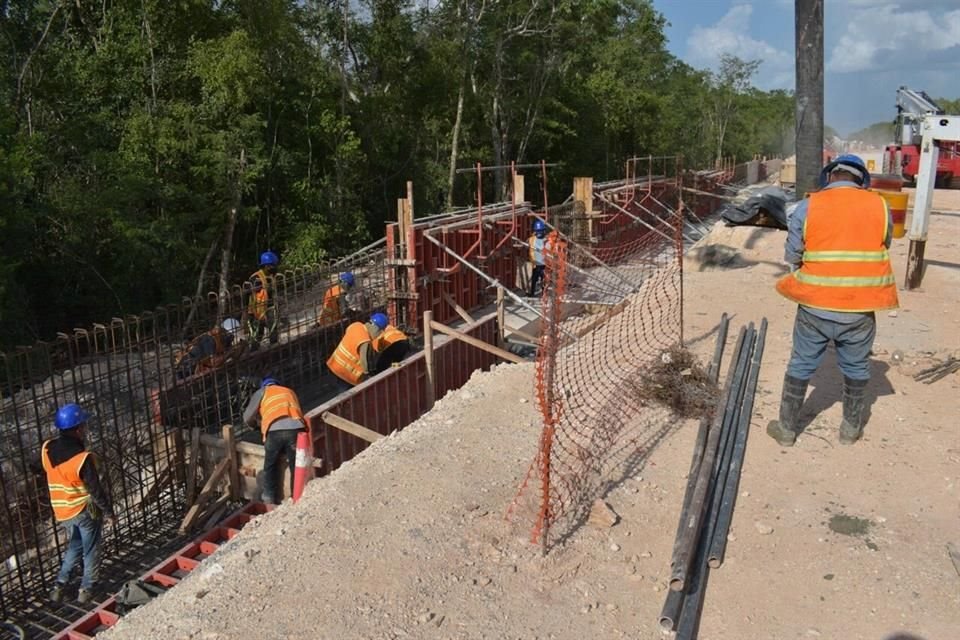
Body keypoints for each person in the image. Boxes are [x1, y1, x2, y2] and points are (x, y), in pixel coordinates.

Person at [767, 154, 898, 447]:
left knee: (801, 364)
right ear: (861, 180)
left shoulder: (809, 204)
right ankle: (850, 431)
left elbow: (792, 255)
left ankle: (787, 430)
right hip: (860, 307)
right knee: (857, 367)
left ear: (830, 177)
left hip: (815, 305)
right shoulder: (879, 205)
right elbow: (885, 241)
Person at [42, 404, 115, 604]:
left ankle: (59, 585)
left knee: (75, 547)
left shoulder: (47, 449)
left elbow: (39, 468)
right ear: (78, 429)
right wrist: (108, 512)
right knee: (90, 548)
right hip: (83, 511)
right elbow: (95, 489)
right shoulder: (81, 459)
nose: (85, 429)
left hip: (62, 512)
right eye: (83, 426)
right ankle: (86, 589)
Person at [242, 378, 306, 505]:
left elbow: (247, 417)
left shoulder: (262, 392)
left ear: (264, 385)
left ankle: (269, 498)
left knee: (270, 464)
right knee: (296, 465)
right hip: (295, 429)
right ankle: (297, 496)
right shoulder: (288, 391)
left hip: (274, 431)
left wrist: (254, 426)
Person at [326, 313, 385, 390]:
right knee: (347, 400)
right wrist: (370, 377)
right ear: (376, 329)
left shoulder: (356, 325)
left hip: (333, 366)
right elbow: (365, 363)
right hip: (345, 376)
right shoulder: (365, 341)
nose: (378, 335)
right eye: (380, 332)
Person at [174, 318, 241, 379]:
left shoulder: (222, 340)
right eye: (232, 336)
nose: (232, 339)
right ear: (226, 333)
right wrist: (231, 352)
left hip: (199, 367)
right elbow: (215, 362)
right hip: (187, 369)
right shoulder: (211, 340)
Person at [245, 251, 280, 350]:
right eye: (273, 266)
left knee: (273, 331)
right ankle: (254, 354)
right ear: (267, 266)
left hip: (268, 309)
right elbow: (247, 293)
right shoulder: (255, 278)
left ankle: (275, 349)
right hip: (256, 311)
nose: (275, 268)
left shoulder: (271, 276)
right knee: (256, 335)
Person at [528, 219, 548, 297]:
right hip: (535, 264)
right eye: (537, 231)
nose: (539, 233)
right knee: (533, 280)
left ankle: (544, 294)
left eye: (540, 231)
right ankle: (532, 293)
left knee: (544, 280)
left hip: (544, 264)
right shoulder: (531, 239)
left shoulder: (547, 240)